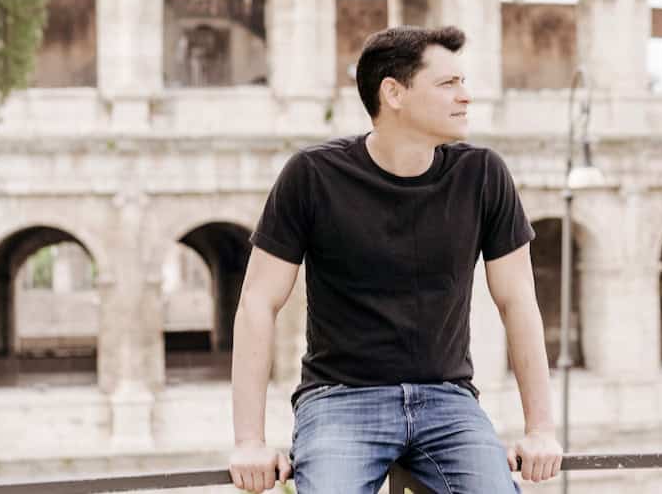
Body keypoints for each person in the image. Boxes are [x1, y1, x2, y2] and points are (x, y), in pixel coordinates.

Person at [227, 25, 563, 493]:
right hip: (340, 402)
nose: (466, 97)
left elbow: (519, 301)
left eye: (463, 82)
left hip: (448, 403)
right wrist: (249, 440)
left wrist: (541, 429)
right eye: (448, 84)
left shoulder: (483, 174)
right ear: (394, 93)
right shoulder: (313, 175)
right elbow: (258, 303)